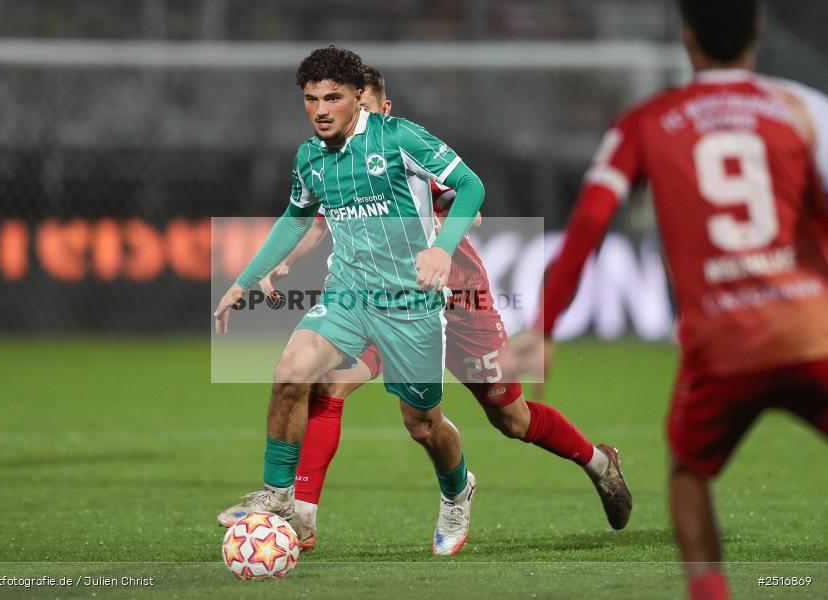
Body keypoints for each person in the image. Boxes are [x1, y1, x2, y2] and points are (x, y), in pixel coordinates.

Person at [503, 1, 828, 598]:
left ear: (687, 38)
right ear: (758, 32)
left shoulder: (647, 122)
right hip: (813, 329)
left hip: (722, 344)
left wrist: (544, 326)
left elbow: (589, 224)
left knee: (687, 474)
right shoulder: (804, 109)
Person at [258, 65, 632, 551]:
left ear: (381, 109)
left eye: (360, 109)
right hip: (389, 301)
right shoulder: (338, 159)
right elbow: (316, 220)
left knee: (511, 420)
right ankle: (301, 519)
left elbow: (469, 206)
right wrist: (282, 260)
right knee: (328, 384)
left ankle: (599, 464)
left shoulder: (404, 150)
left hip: (460, 302)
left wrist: (437, 231)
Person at [214, 46, 486, 555]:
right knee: (291, 372)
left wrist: (441, 249)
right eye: (311, 99)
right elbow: (295, 218)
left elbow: (470, 186)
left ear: (359, 97)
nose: (320, 110)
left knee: (423, 425)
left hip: (410, 304)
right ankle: (278, 497)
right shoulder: (309, 157)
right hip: (348, 295)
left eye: (332, 98)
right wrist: (243, 280)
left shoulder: (398, 137)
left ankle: (457, 490)